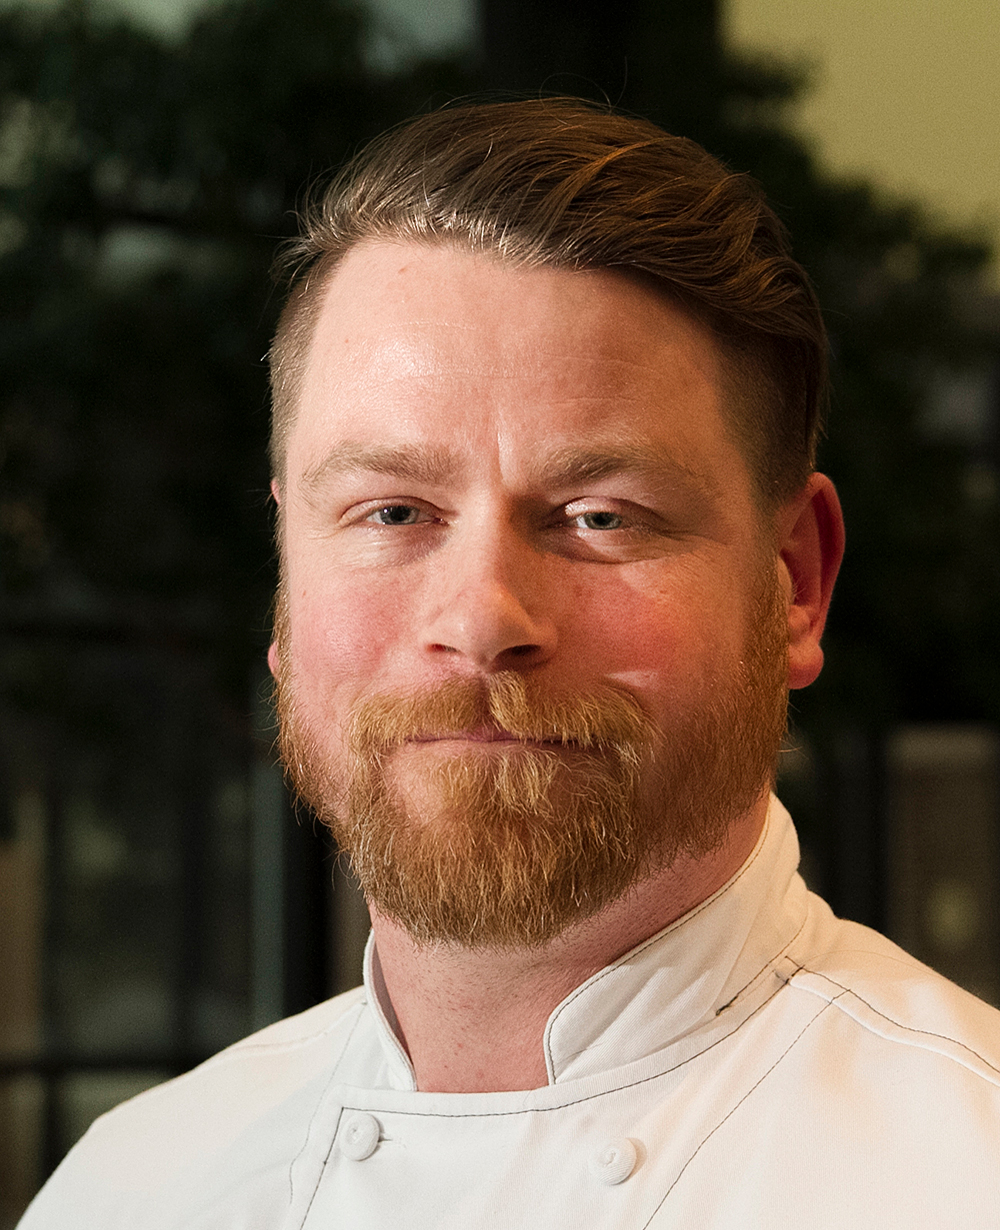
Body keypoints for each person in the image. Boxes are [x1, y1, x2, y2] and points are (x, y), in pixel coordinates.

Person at [20, 98, 1000, 1229]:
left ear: (795, 583)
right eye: (393, 511)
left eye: (600, 516)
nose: (484, 622)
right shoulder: (128, 1187)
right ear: (286, 578)